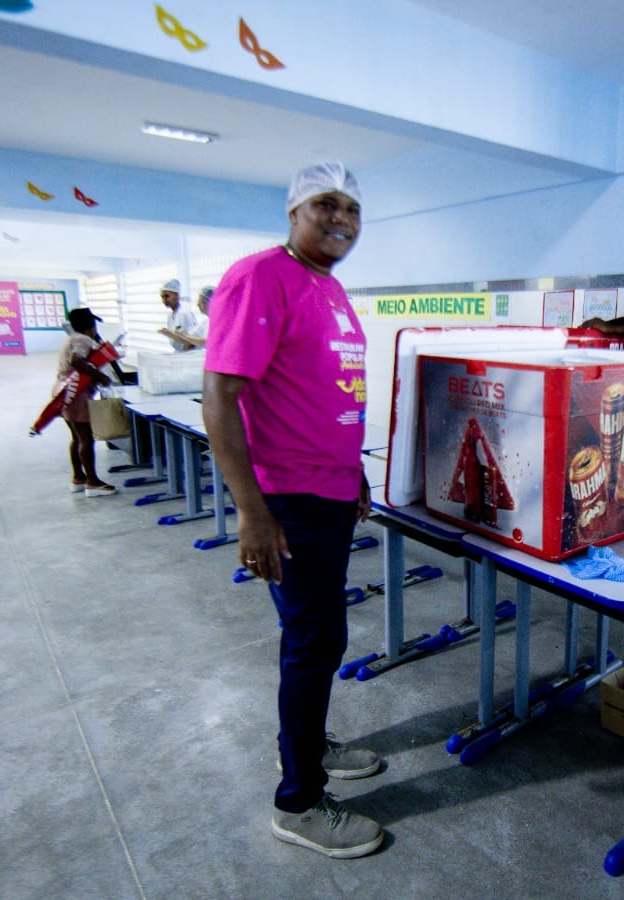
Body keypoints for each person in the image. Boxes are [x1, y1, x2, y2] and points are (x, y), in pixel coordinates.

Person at [202, 162, 383, 860]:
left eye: (352, 209)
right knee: (316, 644)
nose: (341, 219)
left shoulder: (328, 287)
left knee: (308, 639)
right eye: (325, 205)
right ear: (293, 212)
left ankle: (310, 745)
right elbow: (219, 395)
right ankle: (299, 800)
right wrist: (251, 514)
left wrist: (356, 468)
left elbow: (329, 388)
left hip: (331, 488)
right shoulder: (260, 276)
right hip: (290, 499)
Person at [55, 308, 118, 497]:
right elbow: (77, 360)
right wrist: (100, 376)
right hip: (76, 393)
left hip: (63, 389)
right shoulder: (83, 340)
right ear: (91, 325)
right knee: (85, 438)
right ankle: (92, 482)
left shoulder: (71, 338)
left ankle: (78, 478)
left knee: (76, 437)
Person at [160, 285, 211, 351]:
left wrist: (186, 336)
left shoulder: (185, 314)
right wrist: (180, 335)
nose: (198, 305)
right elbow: (188, 340)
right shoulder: (205, 322)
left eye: (202, 302)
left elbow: (210, 343)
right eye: (162, 297)